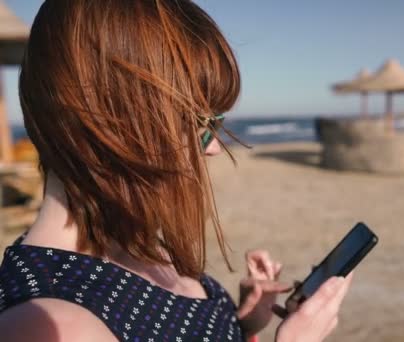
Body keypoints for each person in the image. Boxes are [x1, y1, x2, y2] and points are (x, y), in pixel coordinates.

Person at [0, 1, 353, 341]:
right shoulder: (49, 327)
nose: (214, 145)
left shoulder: (134, 242)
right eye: (201, 122)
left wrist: (242, 323)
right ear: (118, 123)